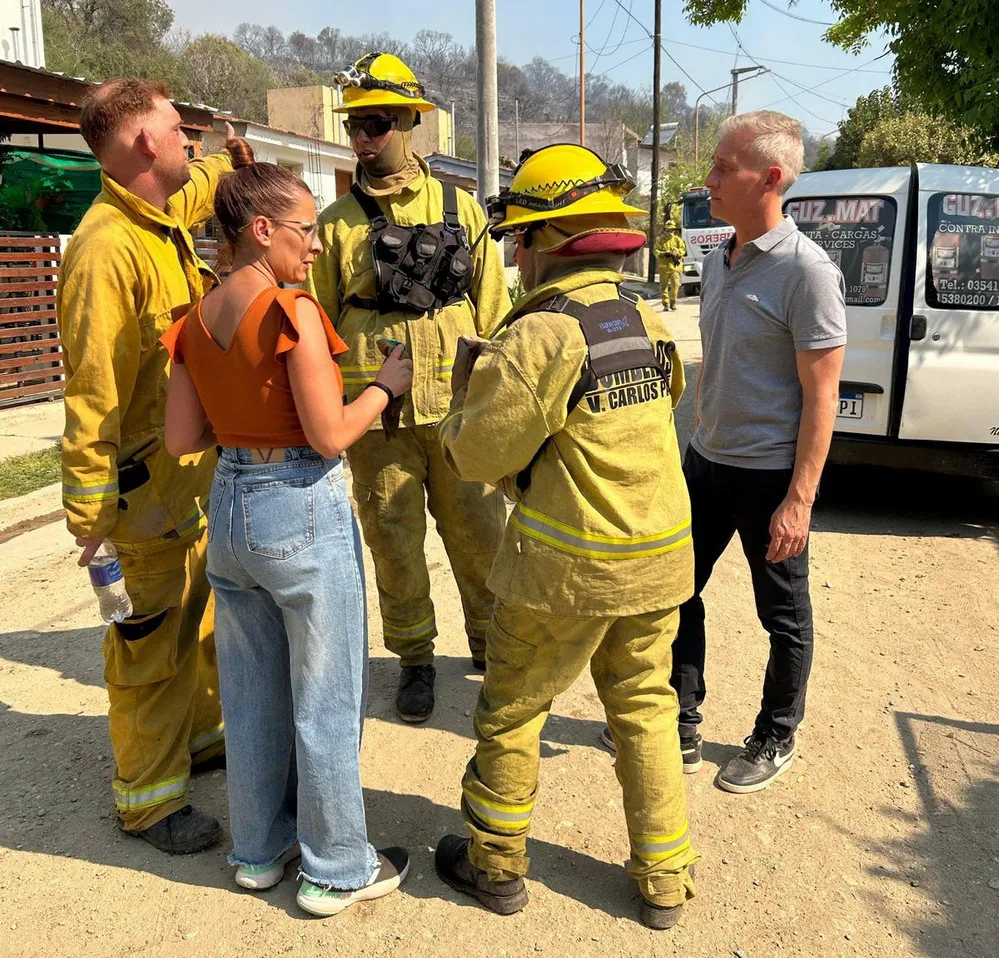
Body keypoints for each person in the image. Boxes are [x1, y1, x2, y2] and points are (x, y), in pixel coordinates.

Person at [433, 144, 700, 931]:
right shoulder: (647, 317)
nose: (514, 255)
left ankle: (495, 868)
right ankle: (664, 882)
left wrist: (461, 403)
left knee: (513, 712)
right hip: (658, 561)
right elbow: (659, 405)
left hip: (564, 571)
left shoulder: (539, 336)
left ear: (545, 242)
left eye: (518, 239)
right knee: (646, 711)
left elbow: (478, 455)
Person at [161, 144, 414, 916]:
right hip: (298, 507)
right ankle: (337, 866)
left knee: (253, 695)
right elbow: (330, 434)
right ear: (263, 229)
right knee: (326, 697)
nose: (316, 243)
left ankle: (258, 851)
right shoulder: (291, 311)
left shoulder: (193, 320)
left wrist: (242, 421)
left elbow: (179, 439)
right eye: (305, 229)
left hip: (231, 509)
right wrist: (384, 386)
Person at [57, 78, 235, 854]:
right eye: (176, 128)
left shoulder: (158, 214)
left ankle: (195, 742)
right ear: (141, 145)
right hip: (142, 493)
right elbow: (91, 393)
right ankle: (149, 802)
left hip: (184, 478)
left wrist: (236, 159)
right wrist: (90, 515)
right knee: (148, 644)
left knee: (197, 619)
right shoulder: (105, 250)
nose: (187, 140)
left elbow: (207, 182)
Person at [306, 53, 510, 723]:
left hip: (458, 406)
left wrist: (500, 401)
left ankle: (490, 643)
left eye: (378, 124)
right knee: (392, 541)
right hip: (376, 413)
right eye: (355, 127)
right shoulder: (334, 223)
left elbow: (494, 311)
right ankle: (415, 658)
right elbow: (318, 325)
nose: (364, 138)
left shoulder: (460, 208)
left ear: (410, 124)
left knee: (480, 530)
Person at [671, 110, 847, 793]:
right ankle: (680, 714)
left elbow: (822, 396)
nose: (708, 179)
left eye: (722, 167)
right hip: (705, 460)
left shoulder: (807, 273)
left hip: (768, 475)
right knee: (673, 589)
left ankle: (775, 733)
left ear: (769, 178)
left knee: (781, 614)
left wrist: (798, 501)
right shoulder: (720, 259)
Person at [655, 223, 686, 311]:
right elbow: (656, 251)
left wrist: (676, 253)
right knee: (664, 286)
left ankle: (673, 302)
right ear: (665, 230)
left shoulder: (677, 240)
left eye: (672, 230)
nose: (671, 232)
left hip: (675, 267)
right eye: (669, 230)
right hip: (664, 267)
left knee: (675, 285)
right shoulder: (660, 240)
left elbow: (683, 250)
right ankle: (665, 304)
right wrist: (664, 254)